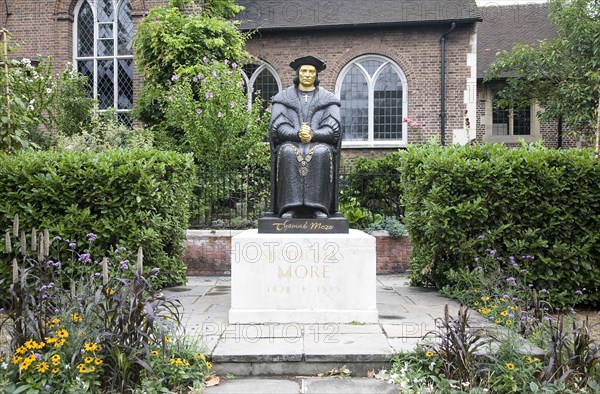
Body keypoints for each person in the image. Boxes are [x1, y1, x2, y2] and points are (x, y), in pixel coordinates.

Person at [267, 55, 342, 219]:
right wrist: (297, 134)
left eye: (311, 71)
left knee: (320, 152)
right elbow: (277, 126)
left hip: (319, 142)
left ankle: (318, 207)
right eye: (304, 71)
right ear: (298, 73)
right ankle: (290, 207)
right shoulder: (283, 98)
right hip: (292, 141)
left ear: (316, 75)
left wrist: (313, 135)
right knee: (287, 151)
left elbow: (334, 129)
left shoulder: (328, 100)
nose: (307, 75)